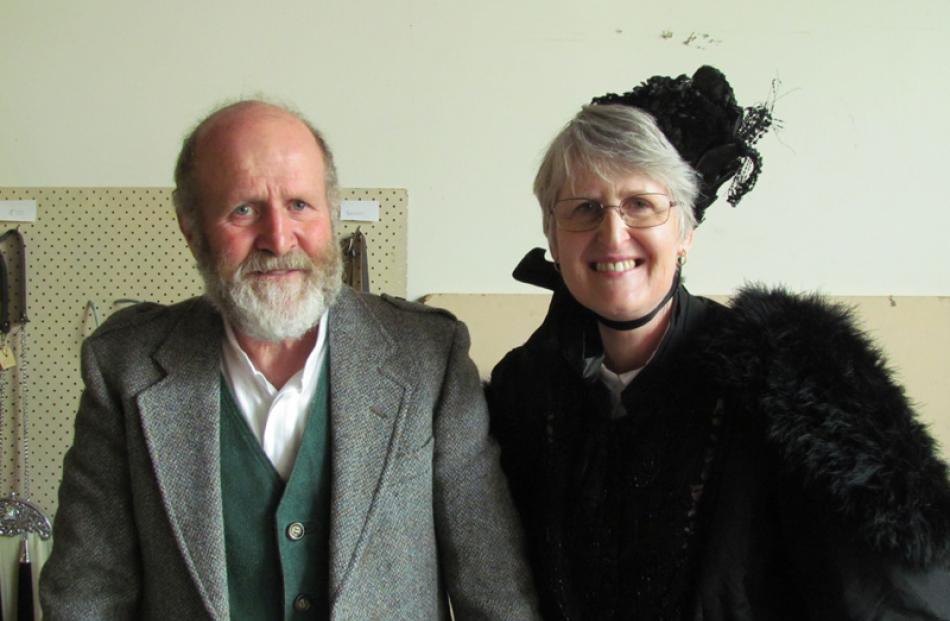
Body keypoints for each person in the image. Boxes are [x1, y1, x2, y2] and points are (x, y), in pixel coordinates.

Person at [40, 100, 540, 620]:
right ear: (192, 229)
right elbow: (86, 597)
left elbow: (496, 590)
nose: (278, 239)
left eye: (300, 205)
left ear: (331, 213)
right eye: (244, 210)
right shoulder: (125, 369)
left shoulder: (428, 360)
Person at [486, 66, 950, 620]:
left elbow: (894, 598)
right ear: (553, 241)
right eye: (584, 208)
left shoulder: (791, 381)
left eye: (641, 204)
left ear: (685, 232)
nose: (612, 235)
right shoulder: (523, 394)